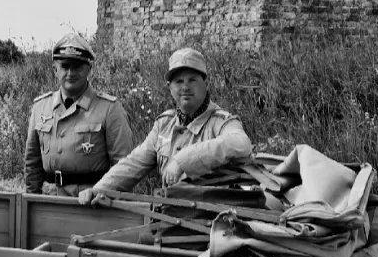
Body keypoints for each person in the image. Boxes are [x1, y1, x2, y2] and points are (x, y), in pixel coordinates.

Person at [79, 47, 252, 204]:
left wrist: (182, 160)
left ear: (206, 84)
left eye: (192, 80)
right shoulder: (164, 124)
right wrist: (99, 190)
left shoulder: (221, 122)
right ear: (169, 88)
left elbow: (241, 144)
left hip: (211, 224)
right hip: (169, 219)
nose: (185, 87)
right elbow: (133, 164)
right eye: (179, 81)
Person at [24, 32, 134, 197]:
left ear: (89, 69)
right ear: (55, 69)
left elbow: (124, 167)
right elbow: (32, 164)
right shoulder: (41, 107)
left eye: (77, 66)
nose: (71, 73)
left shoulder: (109, 109)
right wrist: (31, 202)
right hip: (49, 200)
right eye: (65, 66)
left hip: (91, 204)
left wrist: (110, 202)